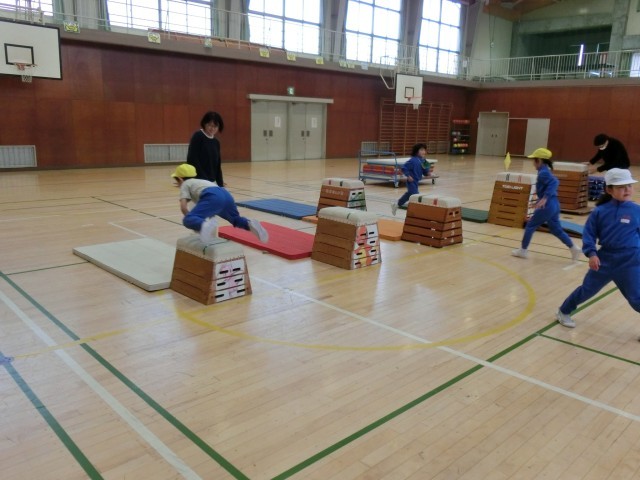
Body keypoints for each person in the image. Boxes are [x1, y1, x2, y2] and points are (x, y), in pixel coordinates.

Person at [556, 168, 640, 328]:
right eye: (621, 187)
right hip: (604, 261)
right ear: (609, 190)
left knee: (636, 298)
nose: (627, 189)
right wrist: (592, 254)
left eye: (629, 185)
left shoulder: (637, 211)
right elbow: (589, 234)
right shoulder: (599, 212)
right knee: (587, 290)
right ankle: (563, 311)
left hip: (630, 261)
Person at [512, 147, 582, 260]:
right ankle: (573, 248)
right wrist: (540, 200)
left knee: (530, 226)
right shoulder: (545, 171)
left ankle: (523, 251)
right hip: (554, 204)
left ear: (539, 160)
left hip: (547, 205)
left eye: (534, 160)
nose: (533, 163)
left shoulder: (543, 173)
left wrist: (544, 198)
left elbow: (555, 182)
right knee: (556, 229)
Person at [171, 163, 268, 244]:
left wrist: (194, 222)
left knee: (187, 219)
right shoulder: (201, 181)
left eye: (176, 181)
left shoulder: (185, 184)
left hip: (212, 196)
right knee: (235, 219)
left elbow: (183, 208)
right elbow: (209, 210)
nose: (177, 184)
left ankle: (203, 225)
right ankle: (249, 224)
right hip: (225, 194)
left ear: (180, 179)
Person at [391, 143, 431, 216]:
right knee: (415, 194)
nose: (423, 152)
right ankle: (414, 210)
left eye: (424, 150)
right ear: (416, 151)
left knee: (410, 194)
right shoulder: (413, 160)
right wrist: (408, 176)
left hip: (416, 181)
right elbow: (404, 168)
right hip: (411, 181)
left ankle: (397, 204)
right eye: (421, 150)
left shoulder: (424, 161)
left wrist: (428, 173)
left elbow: (426, 171)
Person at [187, 111, 225, 185]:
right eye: (210, 125)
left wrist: (220, 184)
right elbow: (192, 159)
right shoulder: (198, 136)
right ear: (204, 123)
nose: (212, 128)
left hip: (211, 181)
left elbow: (217, 165)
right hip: (198, 180)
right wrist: (204, 179)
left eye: (215, 126)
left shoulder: (216, 142)